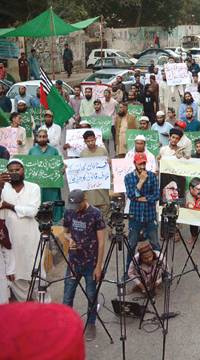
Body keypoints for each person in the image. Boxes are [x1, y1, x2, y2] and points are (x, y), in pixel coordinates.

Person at [62, 189, 105, 341]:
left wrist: (98, 266)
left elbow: (101, 242)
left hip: (90, 263)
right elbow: (65, 231)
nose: (75, 209)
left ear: (84, 199)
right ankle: (66, 325)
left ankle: (91, 324)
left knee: (91, 295)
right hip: (73, 262)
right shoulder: (69, 211)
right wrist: (69, 240)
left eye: (78, 205)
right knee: (67, 296)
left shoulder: (96, 214)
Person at [0, 159, 41, 301]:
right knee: (16, 276)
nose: (14, 173)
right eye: (11, 170)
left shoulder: (33, 187)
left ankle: (44, 310)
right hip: (11, 240)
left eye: (17, 170)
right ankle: (28, 309)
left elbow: (32, 211)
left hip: (31, 238)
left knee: (38, 275)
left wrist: (9, 206)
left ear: (24, 171)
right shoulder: (3, 188)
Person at [124, 153, 160, 275]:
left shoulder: (152, 176)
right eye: (140, 163)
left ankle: (160, 270)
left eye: (144, 163)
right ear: (135, 164)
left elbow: (156, 195)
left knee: (155, 243)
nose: (142, 166)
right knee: (132, 244)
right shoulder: (128, 177)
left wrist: (143, 198)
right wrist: (141, 181)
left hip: (150, 216)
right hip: (136, 216)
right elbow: (131, 195)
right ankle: (127, 271)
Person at [28, 128, 63, 222]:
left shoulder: (54, 151)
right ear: (36, 138)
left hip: (51, 183)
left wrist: (62, 169)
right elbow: (28, 166)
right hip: (37, 183)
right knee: (37, 201)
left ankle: (54, 220)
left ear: (47, 138)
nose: (42, 138)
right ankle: (37, 219)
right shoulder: (32, 151)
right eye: (40, 137)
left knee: (52, 201)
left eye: (44, 136)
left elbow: (59, 165)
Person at [79, 131, 110, 220]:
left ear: (95, 139)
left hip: (101, 188)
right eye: (88, 141)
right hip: (89, 190)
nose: (90, 143)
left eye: (92, 140)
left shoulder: (102, 151)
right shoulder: (83, 154)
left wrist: (109, 163)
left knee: (103, 216)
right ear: (84, 141)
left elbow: (108, 167)